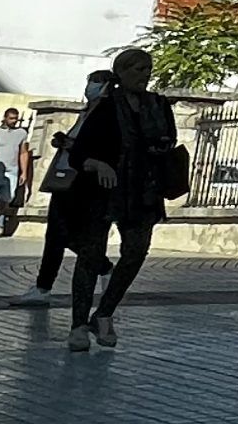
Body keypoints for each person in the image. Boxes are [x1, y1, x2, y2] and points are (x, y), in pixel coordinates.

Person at [61, 48, 178, 351]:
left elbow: (170, 140)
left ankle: (104, 313)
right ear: (121, 72)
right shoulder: (106, 107)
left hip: (144, 191)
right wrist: (99, 164)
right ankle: (77, 325)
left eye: (148, 69)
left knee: (136, 253)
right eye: (138, 69)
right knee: (90, 255)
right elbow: (77, 154)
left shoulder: (159, 105)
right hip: (103, 192)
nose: (144, 75)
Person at [11, 71, 114, 309]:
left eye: (95, 83)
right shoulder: (86, 111)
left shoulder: (107, 113)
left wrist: (73, 146)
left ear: (107, 86)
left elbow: (100, 146)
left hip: (84, 180)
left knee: (68, 234)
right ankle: (43, 286)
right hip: (67, 177)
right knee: (56, 234)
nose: (89, 87)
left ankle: (103, 267)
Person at [0, 108, 32, 238]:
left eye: (15, 118)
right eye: (11, 118)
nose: (13, 121)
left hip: (12, 170)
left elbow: (23, 152)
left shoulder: (21, 133)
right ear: (5, 118)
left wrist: (24, 172)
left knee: (6, 199)